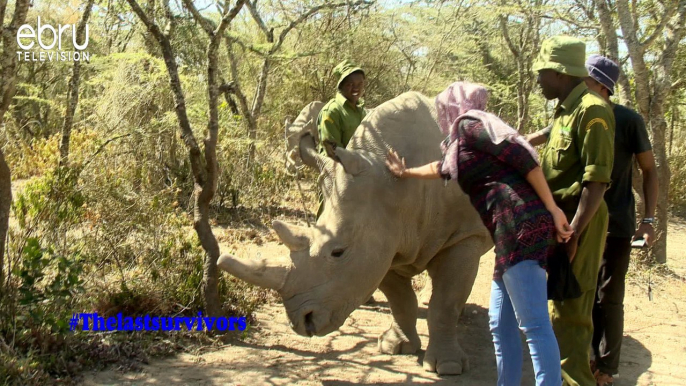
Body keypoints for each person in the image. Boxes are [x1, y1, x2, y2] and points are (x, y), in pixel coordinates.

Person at [386, 81, 572, 386]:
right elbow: (443, 167)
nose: (442, 112)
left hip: (520, 225)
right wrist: (406, 173)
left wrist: (552, 208)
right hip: (507, 231)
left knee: (535, 324)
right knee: (500, 324)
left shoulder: (472, 124)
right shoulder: (462, 142)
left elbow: (526, 158)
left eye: (445, 106)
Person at [527, 36, 616, 386]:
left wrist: (573, 234)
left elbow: (597, 182)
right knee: (559, 305)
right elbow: (549, 137)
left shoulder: (593, 110)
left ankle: (575, 380)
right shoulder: (566, 108)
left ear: (561, 73)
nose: (538, 80)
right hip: (562, 219)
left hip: (581, 220)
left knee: (573, 310)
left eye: (542, 73)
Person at [581, 54, 659, 386]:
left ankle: (607, 368)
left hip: (617, 225)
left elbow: (650, 170)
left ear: (601, 85)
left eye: (583, 80)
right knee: (582, 293)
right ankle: (585, 357)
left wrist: (649, 220)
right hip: (582, 221)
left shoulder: (628, 120)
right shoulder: (578, 114)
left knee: (609, 297)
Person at [317, 60, 366, 156]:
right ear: (341, 85)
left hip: (361, 166)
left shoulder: (362, 111)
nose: (356, 88)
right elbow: (333, 153)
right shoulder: (332, 111)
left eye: (359, 84)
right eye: (350, 84)